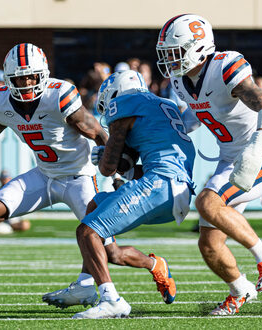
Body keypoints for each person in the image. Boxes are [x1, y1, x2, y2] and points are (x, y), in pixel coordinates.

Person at [0, 43, 172, 308]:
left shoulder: (59, 97)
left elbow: (98, 133)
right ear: (9, 78)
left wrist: (118, 172)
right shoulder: (4, 99)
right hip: (45, 175)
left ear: (43, 73)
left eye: (32, 75)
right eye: (20, 76)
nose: (27, 82)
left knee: (110, 251)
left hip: (81, 177)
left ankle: (153, 264)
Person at [156, 14, 262, 315]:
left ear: (198, 46)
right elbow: (194, 117)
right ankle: (240, 290)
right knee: (209, 244)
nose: (170, 60)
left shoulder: (224, 67)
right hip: (230, 160)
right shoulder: (181, 81)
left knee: (207, 202)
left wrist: (258, 144)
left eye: (175, 52)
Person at [72, 70, 196, 319]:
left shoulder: (125, 103)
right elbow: (129, 168)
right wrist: (116, 160)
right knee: (96, 208)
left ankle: (111, 300)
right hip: (178, 188)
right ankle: (92, 282)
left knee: (87, 231)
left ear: (115, 94)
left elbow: (108, 169)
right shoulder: (163, 104)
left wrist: (103, 154)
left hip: (162, 184)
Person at [0, 170, 31, 234]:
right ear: (0, 179)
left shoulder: (15, 190)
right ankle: (5, 227)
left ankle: (7, 228)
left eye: (6, 178)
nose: (5, 180)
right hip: (1, 217)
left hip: (12, 218)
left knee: (25, 224)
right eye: (3, 178)